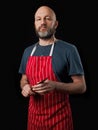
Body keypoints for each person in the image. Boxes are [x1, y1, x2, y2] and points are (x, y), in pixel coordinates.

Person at [18, 5, 87, 130]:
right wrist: (25, 87)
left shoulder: (69, 50)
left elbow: (81, 86)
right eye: (38, 19)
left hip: (59, 120)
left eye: (47, 18)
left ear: (55, 24)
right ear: (34, 24)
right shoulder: (28, 51)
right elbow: (24, 79)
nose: (42, 22)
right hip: (34, 119)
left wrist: (55, 86)